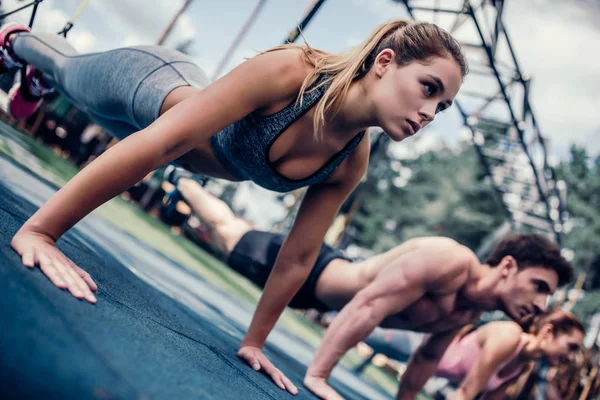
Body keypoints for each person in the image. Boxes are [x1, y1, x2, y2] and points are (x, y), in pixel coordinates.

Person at [4, 18, 468, 392]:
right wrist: (41, 232)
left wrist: (255, 342)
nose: (430, 113)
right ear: (385, 62)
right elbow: (161, 145)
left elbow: (300, 257)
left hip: (152, 142)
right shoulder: (294, 73)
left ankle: (35, 84)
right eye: (429, 88)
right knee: (63, 66)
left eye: (443, 106)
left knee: (70, 95)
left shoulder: (351, 160)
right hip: (149, 87)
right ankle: (19, 45)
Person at [172, 177, 574, 399]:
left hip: (317, 298)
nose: (541, 304)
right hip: (312, 272)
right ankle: (183, 177)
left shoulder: (470, 311)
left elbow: (426, 359)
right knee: (229, 230)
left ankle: (184, 183)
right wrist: (319, 377)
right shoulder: (448, 261)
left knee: (228, 230)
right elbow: (368, 305)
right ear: (507, 267)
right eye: (539, 286)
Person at [433, 308, 584, 400]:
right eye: (571, 347)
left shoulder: (523, 366)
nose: (570, 357)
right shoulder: (509, 336)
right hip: (418, 348)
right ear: (548, 332)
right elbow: (465, 394)